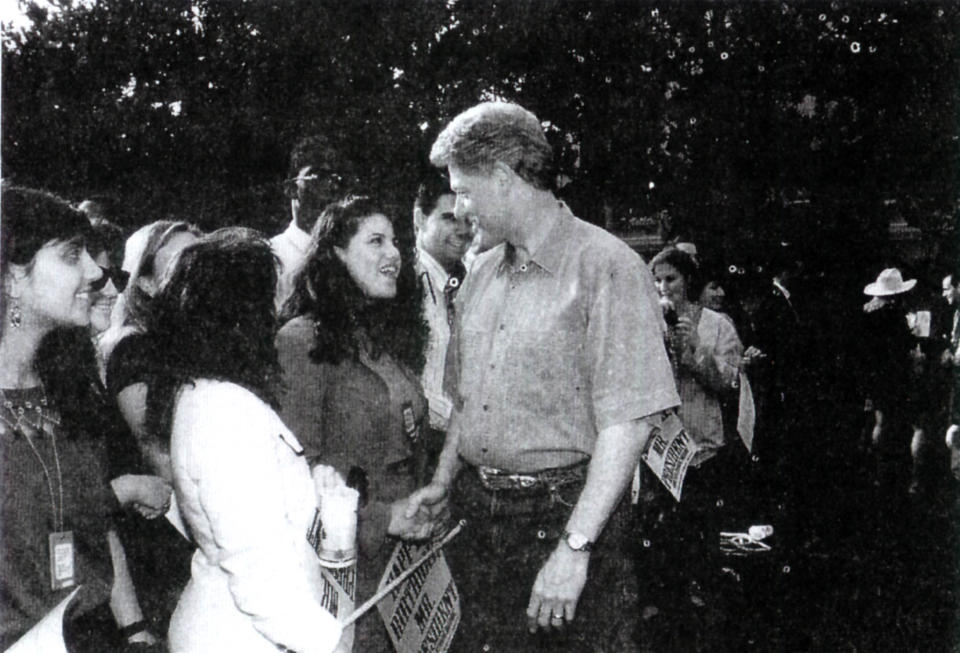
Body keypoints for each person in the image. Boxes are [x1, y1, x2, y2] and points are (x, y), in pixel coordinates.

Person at [407, 101, 680, 652]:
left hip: (563, 518)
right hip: (479, 522)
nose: (459, 210)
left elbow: (628, 426)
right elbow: (466, 401)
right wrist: (441, 481)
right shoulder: (481, 271)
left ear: (505, 179)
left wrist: (575, 549)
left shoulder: (607, 266)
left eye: (464, 190)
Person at [146, 228, 345, 653]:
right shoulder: (226, 411)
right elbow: (259, 578)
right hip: (244, 637)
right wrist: (330, 645)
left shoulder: (204, 393)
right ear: (239, 317)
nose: (275, 318)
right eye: (267, 304)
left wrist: (316, 494)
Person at [0, 185, 158, 651]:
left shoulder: (69, 386)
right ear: (10, 276)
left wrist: (136, 631)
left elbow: (95, 527)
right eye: (72, 256)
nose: (94, 272)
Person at [277, 196, 433, 651]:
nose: (394, 254)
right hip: (346, 572)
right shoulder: (300, 342)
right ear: (337, 254)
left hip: (402, 564)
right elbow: (296, 475)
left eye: (396, 241)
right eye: (376, 241)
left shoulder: (384, 339)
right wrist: (382, 518)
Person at [642, 246, 750, 648]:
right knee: (660, 533)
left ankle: (703, 605)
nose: (664, 287)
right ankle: (667, 606)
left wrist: (694, 352)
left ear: (688, 280)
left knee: (701, 530)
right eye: (658, 280)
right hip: (660, 447)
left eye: (671, 278)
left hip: (702, 446)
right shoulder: (648, 319)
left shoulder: (719, 325)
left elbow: (726, 382)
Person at [101, 219, 200, 634]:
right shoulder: (133, 348)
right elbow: (156, 449)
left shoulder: (190, 344)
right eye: (183, 261)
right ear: (144, 281)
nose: (199, 270)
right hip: (163, 541)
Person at [412, 174, 472, 477]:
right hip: (423, 447)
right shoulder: (402, 285)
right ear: (420, 218)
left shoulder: (472, 279)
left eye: (468, 219)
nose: (463, 229)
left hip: (464, 446)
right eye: (450, 218)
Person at [271, 136, 355, 310]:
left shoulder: (347, 255)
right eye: (319, 177)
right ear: (292, 189)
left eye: (336, 179)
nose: (331, 186)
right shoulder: (274, 255)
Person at [860, 268, 919, 494]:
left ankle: (873, 467)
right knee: (885, 421)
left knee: (876, 420)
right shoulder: (893, 315)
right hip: (890, 374)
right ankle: (882, 470)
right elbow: (903, 346)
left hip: (873, 373)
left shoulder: (868, 312)